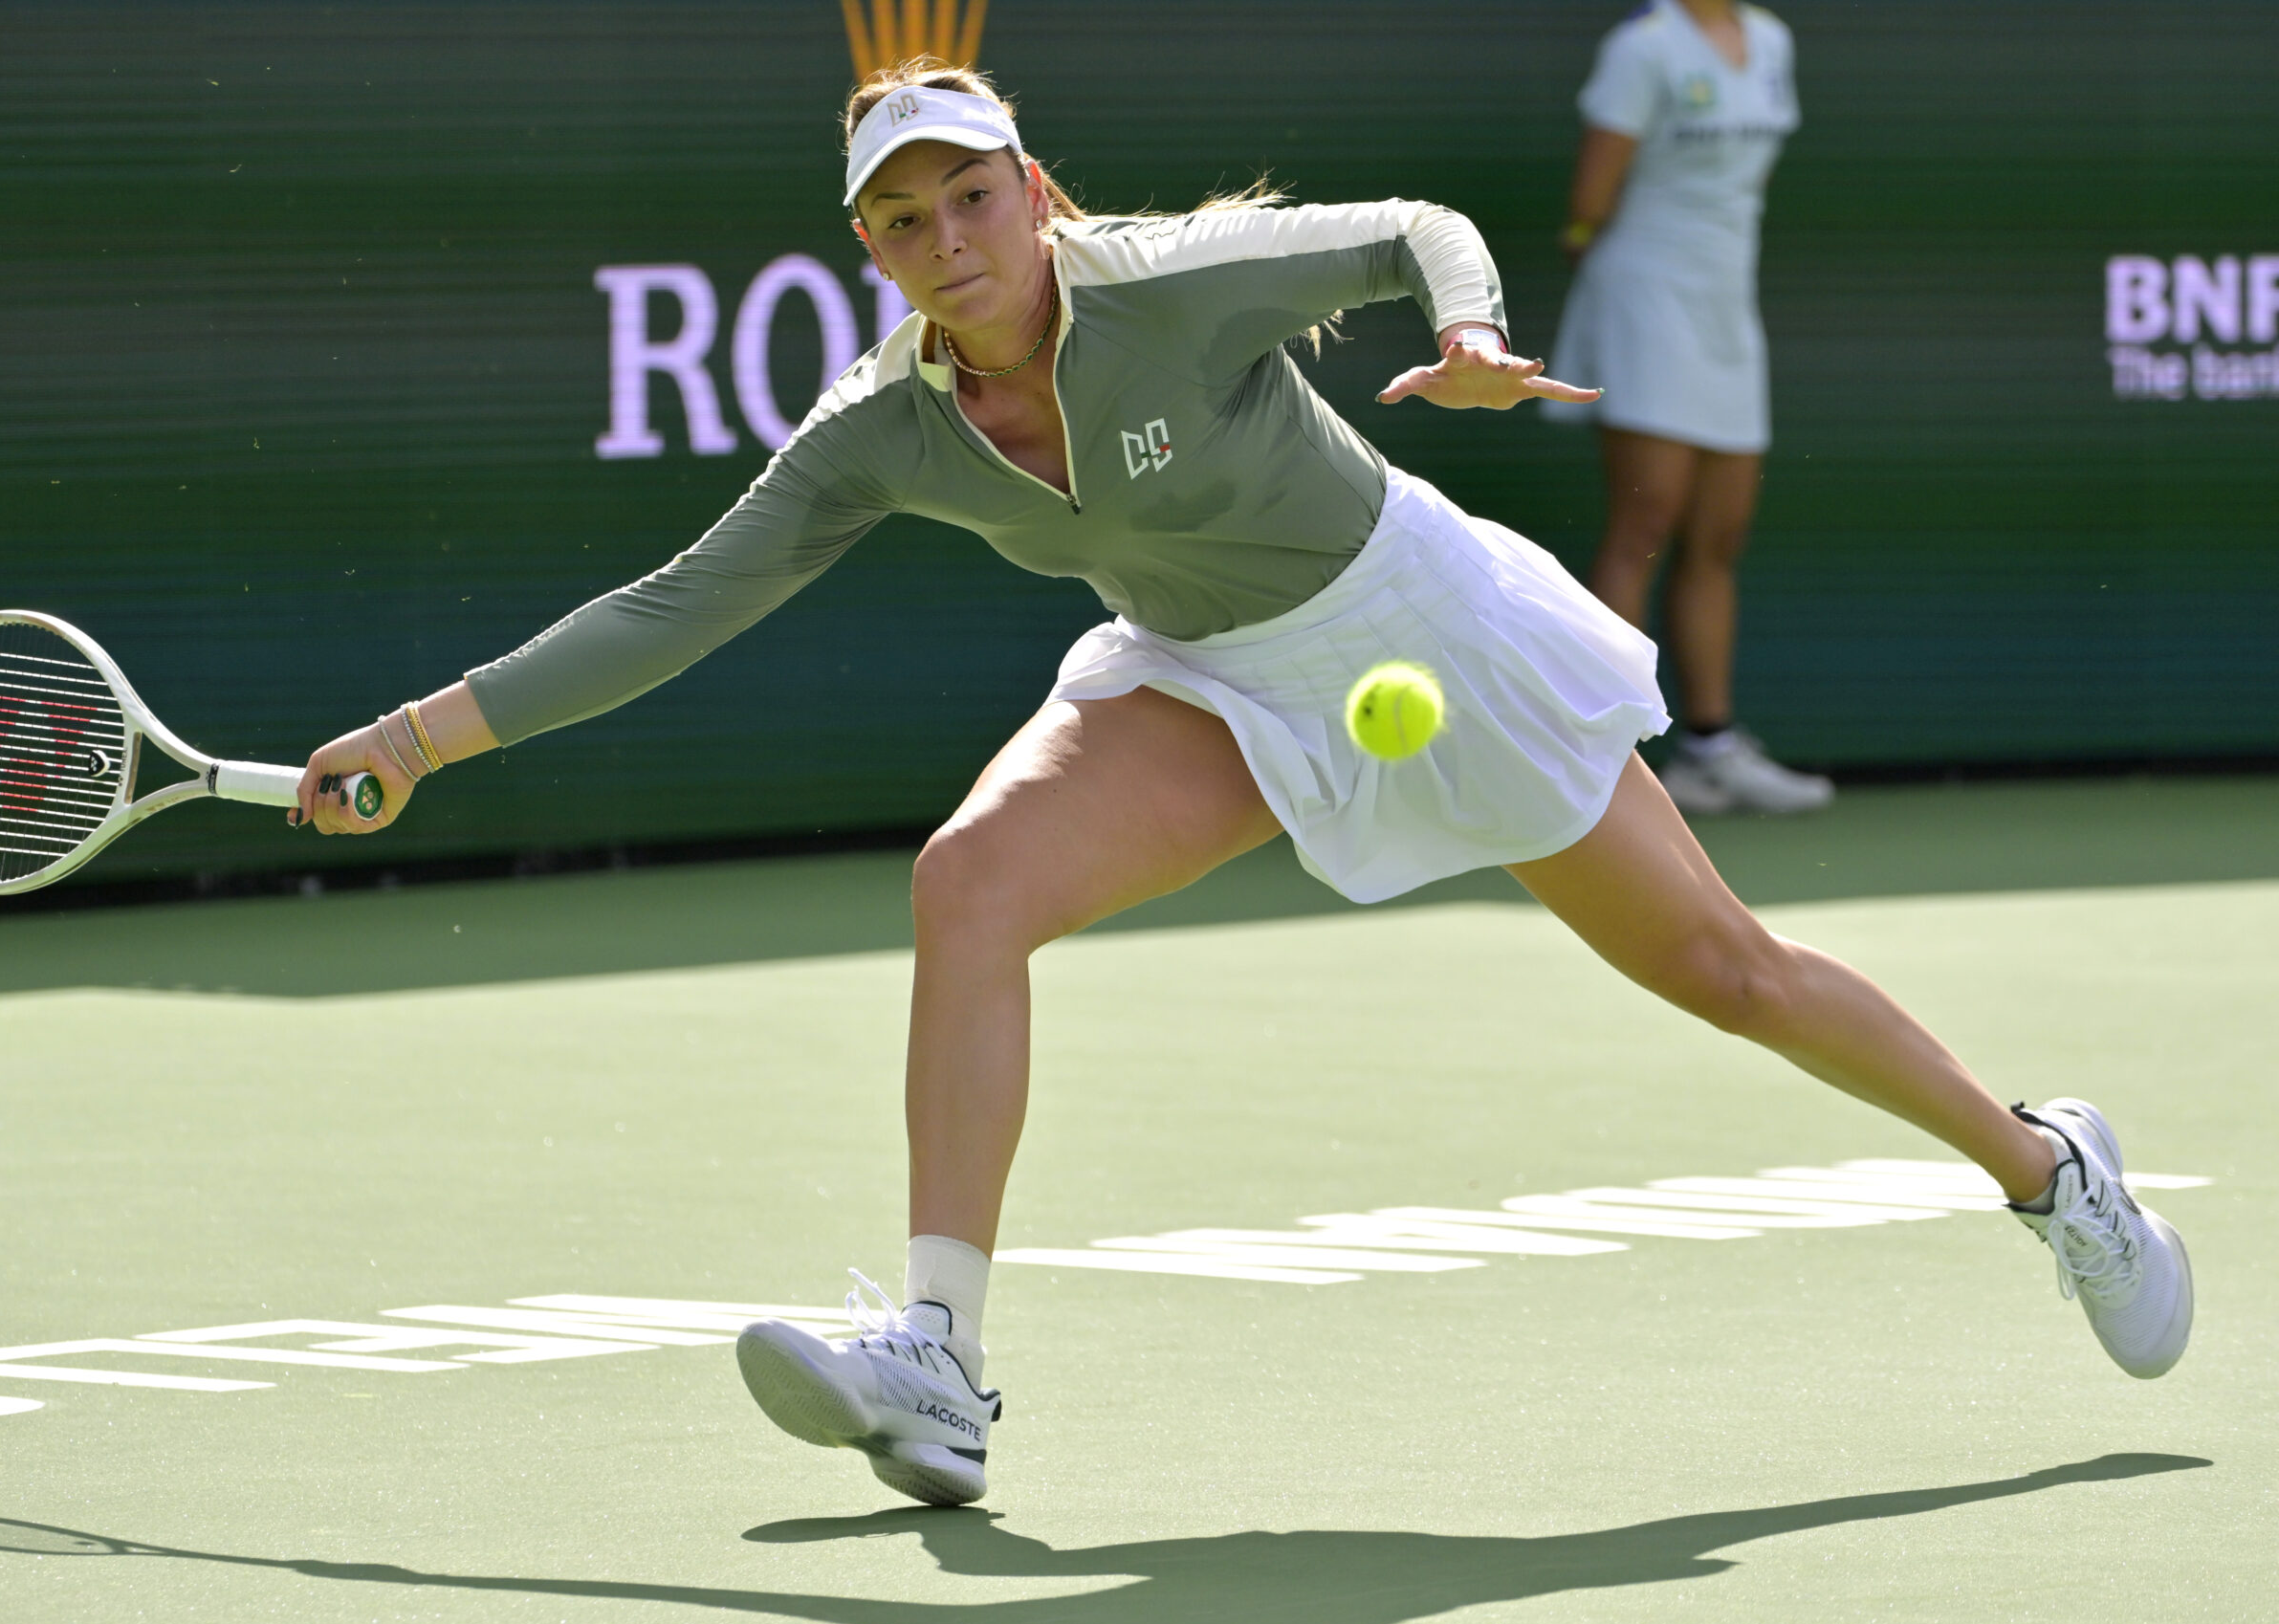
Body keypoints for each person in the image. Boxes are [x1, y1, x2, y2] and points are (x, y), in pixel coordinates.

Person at [292, 62, 2192, 1508]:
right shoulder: (875, 431)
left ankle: (2043, 1169)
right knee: (968, 883)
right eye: (902, 224)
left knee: (1724, 973)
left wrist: (1462, 334)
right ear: (866, 254)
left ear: (1031, 194)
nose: (947, 241)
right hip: (1201, 668)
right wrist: (412, 735)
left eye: (972, 198)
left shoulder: (1168, 289)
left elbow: (1410, 221)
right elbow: (673, 604)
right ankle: (936, 1357)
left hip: (1419, 629)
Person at [1542, 0, 1829, 815]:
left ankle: (1709, 748)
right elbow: (1591, 195)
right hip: (1646, 294)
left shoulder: (1772, 39)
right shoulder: (1643, 48)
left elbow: (1753, 174)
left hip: (1727, 300)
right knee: (1645, 521)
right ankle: (1601, 753)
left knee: (1721, 530)